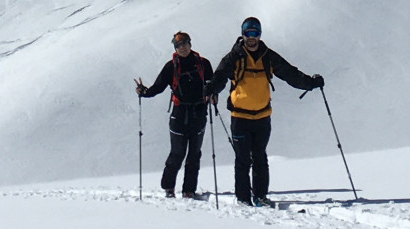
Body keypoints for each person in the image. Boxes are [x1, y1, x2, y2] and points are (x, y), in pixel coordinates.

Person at [209, 17, 322, 206]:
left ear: (260, 34)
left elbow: (289, 73)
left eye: (255, 33)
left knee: (260, 157)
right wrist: (212, 88)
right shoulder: (234, 57)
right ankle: (243, 199)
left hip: (262, 116)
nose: (251, 37)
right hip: (240, 117)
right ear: (243, 35)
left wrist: (310, 83)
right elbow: (220, 76)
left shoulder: (268, 56)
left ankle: (260, 196)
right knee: (243, 160)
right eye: (248, 33)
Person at [135, 32, 215, 199]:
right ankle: (168, 187)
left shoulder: (203, 64)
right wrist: (144, 92)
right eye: (178, 45)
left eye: (184, 43)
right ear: (175, 48)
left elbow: (212, 85)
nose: (182, 48)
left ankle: (188, 190)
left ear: (190, 44)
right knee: (178, 153)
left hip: (198, 114)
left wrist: (214, 95)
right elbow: (158, 87)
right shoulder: (171, 67)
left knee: (194, 154)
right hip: (180, 115)